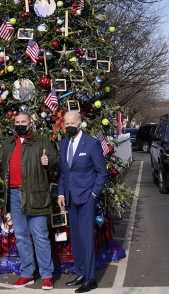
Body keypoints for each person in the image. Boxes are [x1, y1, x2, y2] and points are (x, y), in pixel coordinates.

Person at [0, 111, 59, 290]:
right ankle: (27, 273)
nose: (20, 124)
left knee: (40, 236)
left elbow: (56, 162)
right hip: (14, 195)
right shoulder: (8, 144)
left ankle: (47, 274)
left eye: (23, 121)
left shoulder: (42, 141)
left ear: (30, 123)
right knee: (21, 236)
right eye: (17, 121)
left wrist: (48, 162)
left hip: (36, 194)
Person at [57, 111, 107, 293]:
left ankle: (91, 278)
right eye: (66, 122)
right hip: (70, 197)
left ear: (79, 124)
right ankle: (81, 272)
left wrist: (94, 194)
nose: (69, 125)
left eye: (72, 122)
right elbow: (64, 173)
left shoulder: (91, 143)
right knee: (76, 238)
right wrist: (61, 194)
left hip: (86, 197)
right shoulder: (63, 143)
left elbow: (102, 171)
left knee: (86, 238)